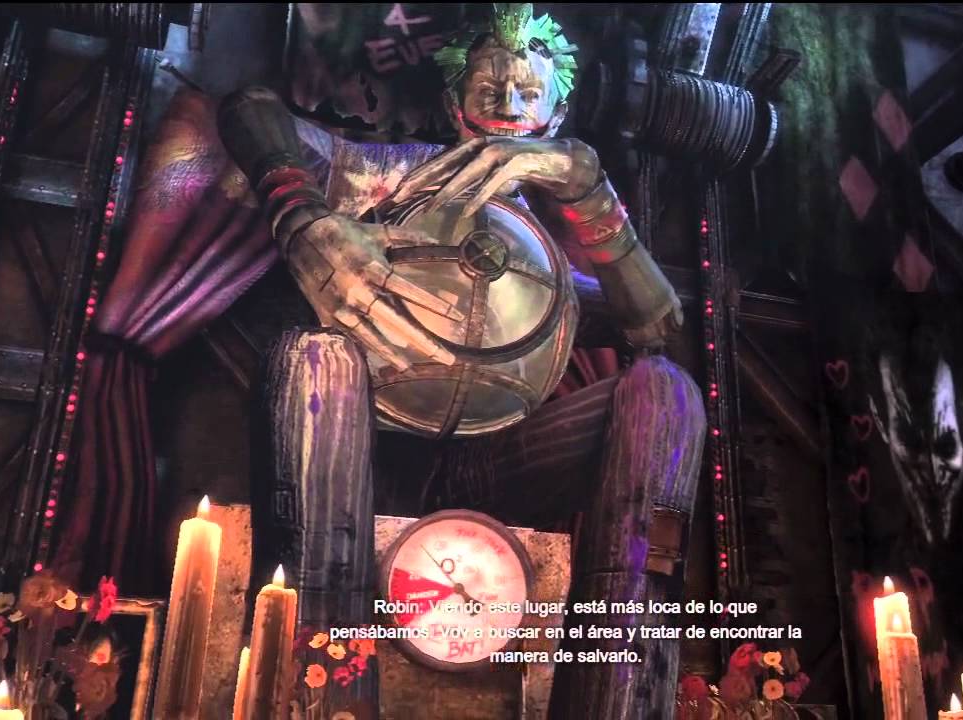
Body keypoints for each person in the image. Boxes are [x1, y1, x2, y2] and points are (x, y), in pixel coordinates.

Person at [216, 4, 705, 717]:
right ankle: (325, 692)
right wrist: (301, 214)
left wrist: (583, 179)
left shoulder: (551, 236)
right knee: (317, 358)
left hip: (492, 465)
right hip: (362, 442)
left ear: (556, 112)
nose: (508, 107)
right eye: (488, 90)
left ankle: (623, 692)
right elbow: (249, 107)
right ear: (454, 104)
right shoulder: (390, 177)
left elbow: (658, 326)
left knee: (666, 392)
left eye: (528, 94)